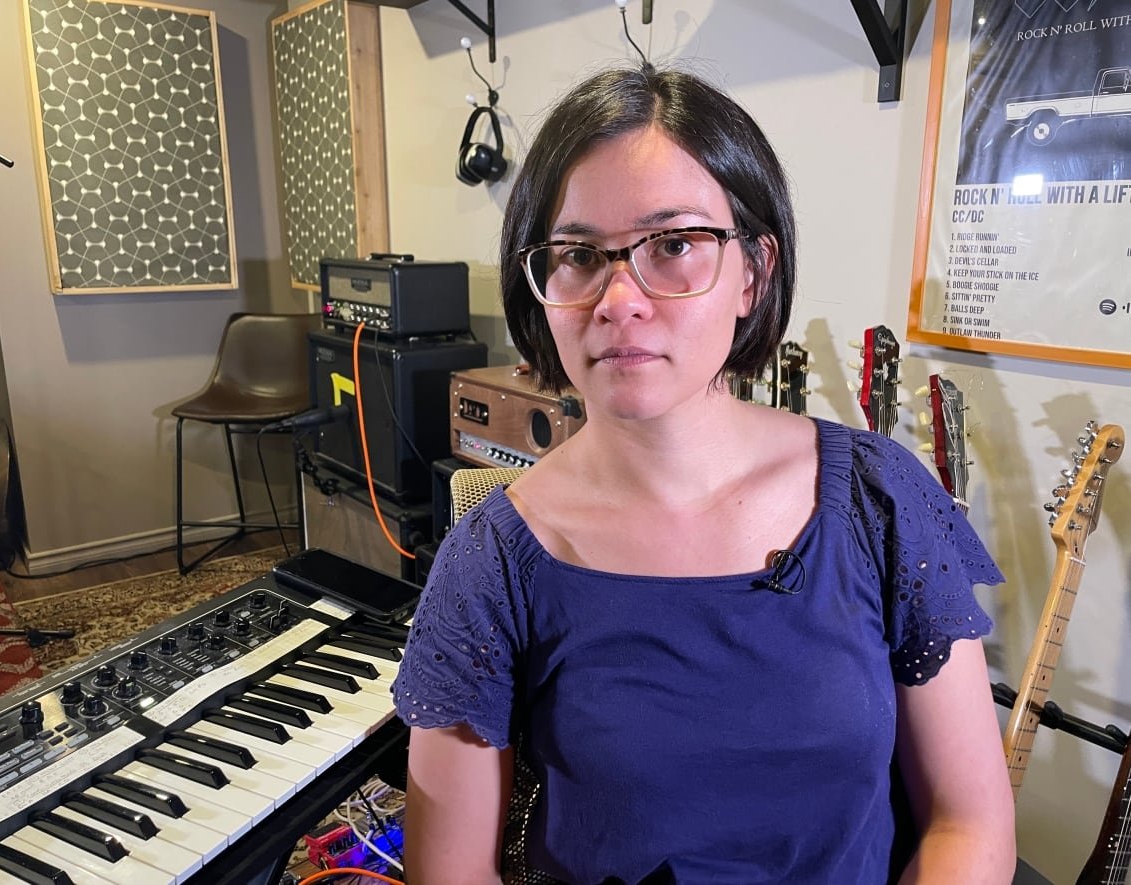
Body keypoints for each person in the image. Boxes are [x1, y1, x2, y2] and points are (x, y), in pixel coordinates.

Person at [391, 64, 1016, 884]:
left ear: (753, 271)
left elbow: (967, 823)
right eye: (579, 254)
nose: (619, 298)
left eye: (675, 244)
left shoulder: (879, 497)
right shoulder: (490, 562)